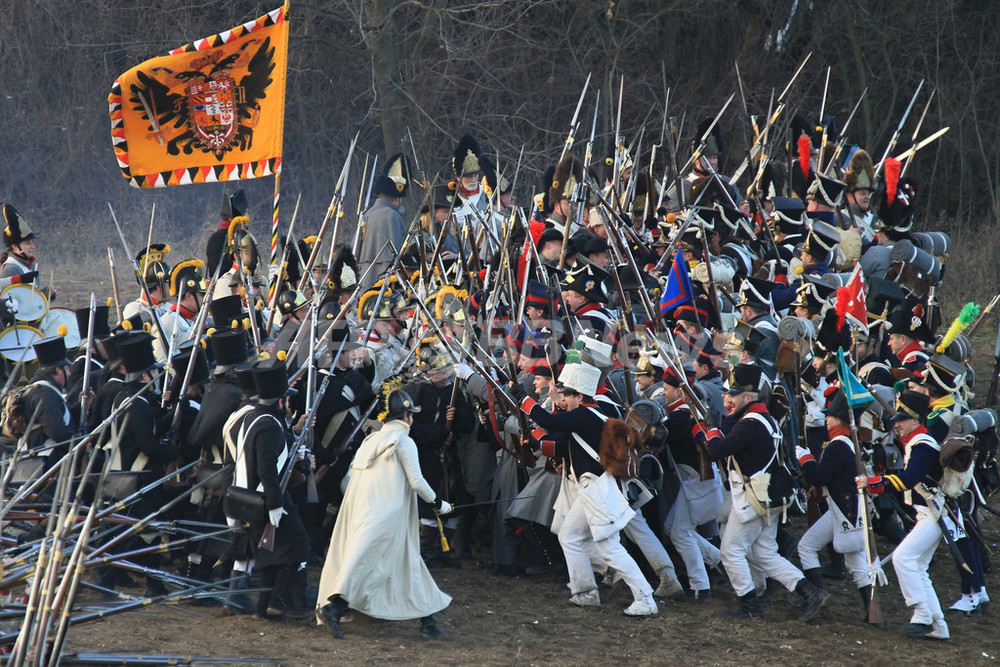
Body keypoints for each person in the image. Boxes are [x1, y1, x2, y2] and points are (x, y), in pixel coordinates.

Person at [511, 356, 658, 616]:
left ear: (579, 396)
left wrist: (522, 397)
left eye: (567, 395)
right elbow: (560, 439)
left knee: (610, 548)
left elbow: (548, 422)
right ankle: (585, 592)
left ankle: (645, 598)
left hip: (596, 488)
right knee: (570, 536)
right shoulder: (593, 414)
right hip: (591, 488)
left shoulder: (584, 416)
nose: (563, 399)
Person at [694, 363, 830, 621]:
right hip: (766, 495)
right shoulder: (760, 419)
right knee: (764, 553)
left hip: (752, 499)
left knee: (731, 550)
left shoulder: (751, 424)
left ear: (747, 397)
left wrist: (709, 430)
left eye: (731, 395)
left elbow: (716, 450)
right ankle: (810, 592)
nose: (726, 399)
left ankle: (750, 606)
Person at [316, 389, 453, 639]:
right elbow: (417, 481)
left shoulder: (370, 441)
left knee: (408, 565)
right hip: (388, 519)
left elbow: (348, 482)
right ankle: (334, 609)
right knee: (367, 566)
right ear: (407, 416)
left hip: (365, 513)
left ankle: (428, 621)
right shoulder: (404, 441)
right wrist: (439, 504)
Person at [857, 391, 949, 640]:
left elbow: (909, 479)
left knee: (903, 558)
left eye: (901, 419)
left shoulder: (922, 445)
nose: (896, 424)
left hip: (933, 513)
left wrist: (873, 483)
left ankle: (921, 614)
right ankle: (938, 626)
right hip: (928, 513)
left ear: (916, 420)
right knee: (918, 567)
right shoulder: (917, 442)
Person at [233, 361, 311, 621]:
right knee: (297, 547)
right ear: (280, 402)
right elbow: (266, 468)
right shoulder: (268, 425)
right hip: (268, 498)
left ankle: (262, 608)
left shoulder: (255, 417)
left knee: (269, 556)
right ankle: (279, 602)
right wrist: (276, 505)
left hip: (256, 497)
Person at [794, 391, 875, 622]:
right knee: (815, 548)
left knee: (848, 559)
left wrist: (805, 458)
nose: (826, 419)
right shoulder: (847, 442)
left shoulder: (838, 445)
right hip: (841, 507)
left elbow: (820, 476)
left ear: (840, 418)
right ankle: (819, 598)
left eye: (830, 416)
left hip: (843, 510)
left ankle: (818, 598)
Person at [358, 153, 411, 292]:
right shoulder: (391, 216)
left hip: (362, 286)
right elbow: (400, 258)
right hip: (384, 288)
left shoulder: (366, 215)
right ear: (397, 198)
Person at [154, 259, 206, 363]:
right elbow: (162, 362)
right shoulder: (168, 322)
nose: (204, 300)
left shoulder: (192, 320)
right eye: (201, 295)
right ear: (189, 295)